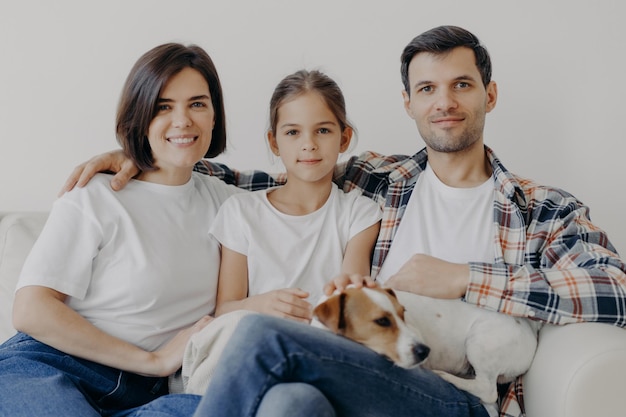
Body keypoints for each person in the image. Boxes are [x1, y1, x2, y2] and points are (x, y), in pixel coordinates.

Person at [60, 25, 626, 417]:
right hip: (349, 379)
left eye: (462, 85)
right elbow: (283, 181)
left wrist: (464, 279)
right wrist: (148, 155)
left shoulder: (542, 208)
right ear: (407, 102)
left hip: (452, 399)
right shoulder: (382, 181)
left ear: (490, 94)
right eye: (427, 88)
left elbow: (615, 290)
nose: (444, 102)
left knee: (261, 337)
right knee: (289, 405)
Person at [0, 43, 333, 417]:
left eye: (197, 104)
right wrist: (152, 359)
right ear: (139, 115)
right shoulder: (96, 193)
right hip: (50, 368)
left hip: (154, 395)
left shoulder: (233, 204)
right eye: (163, 107)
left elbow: (306, 176)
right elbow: (31, 310)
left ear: (214, 116)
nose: (182, 120)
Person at [212, 69, 381, 321]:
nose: (308, 144)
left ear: (344, 139)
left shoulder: (359, 214)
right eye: (293, 132)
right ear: (274, 142)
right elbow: (224, 310)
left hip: (321, 342)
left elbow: (349, 301)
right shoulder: (240, 211)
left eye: (323, 130)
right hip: (258, 338)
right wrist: (259, 305)